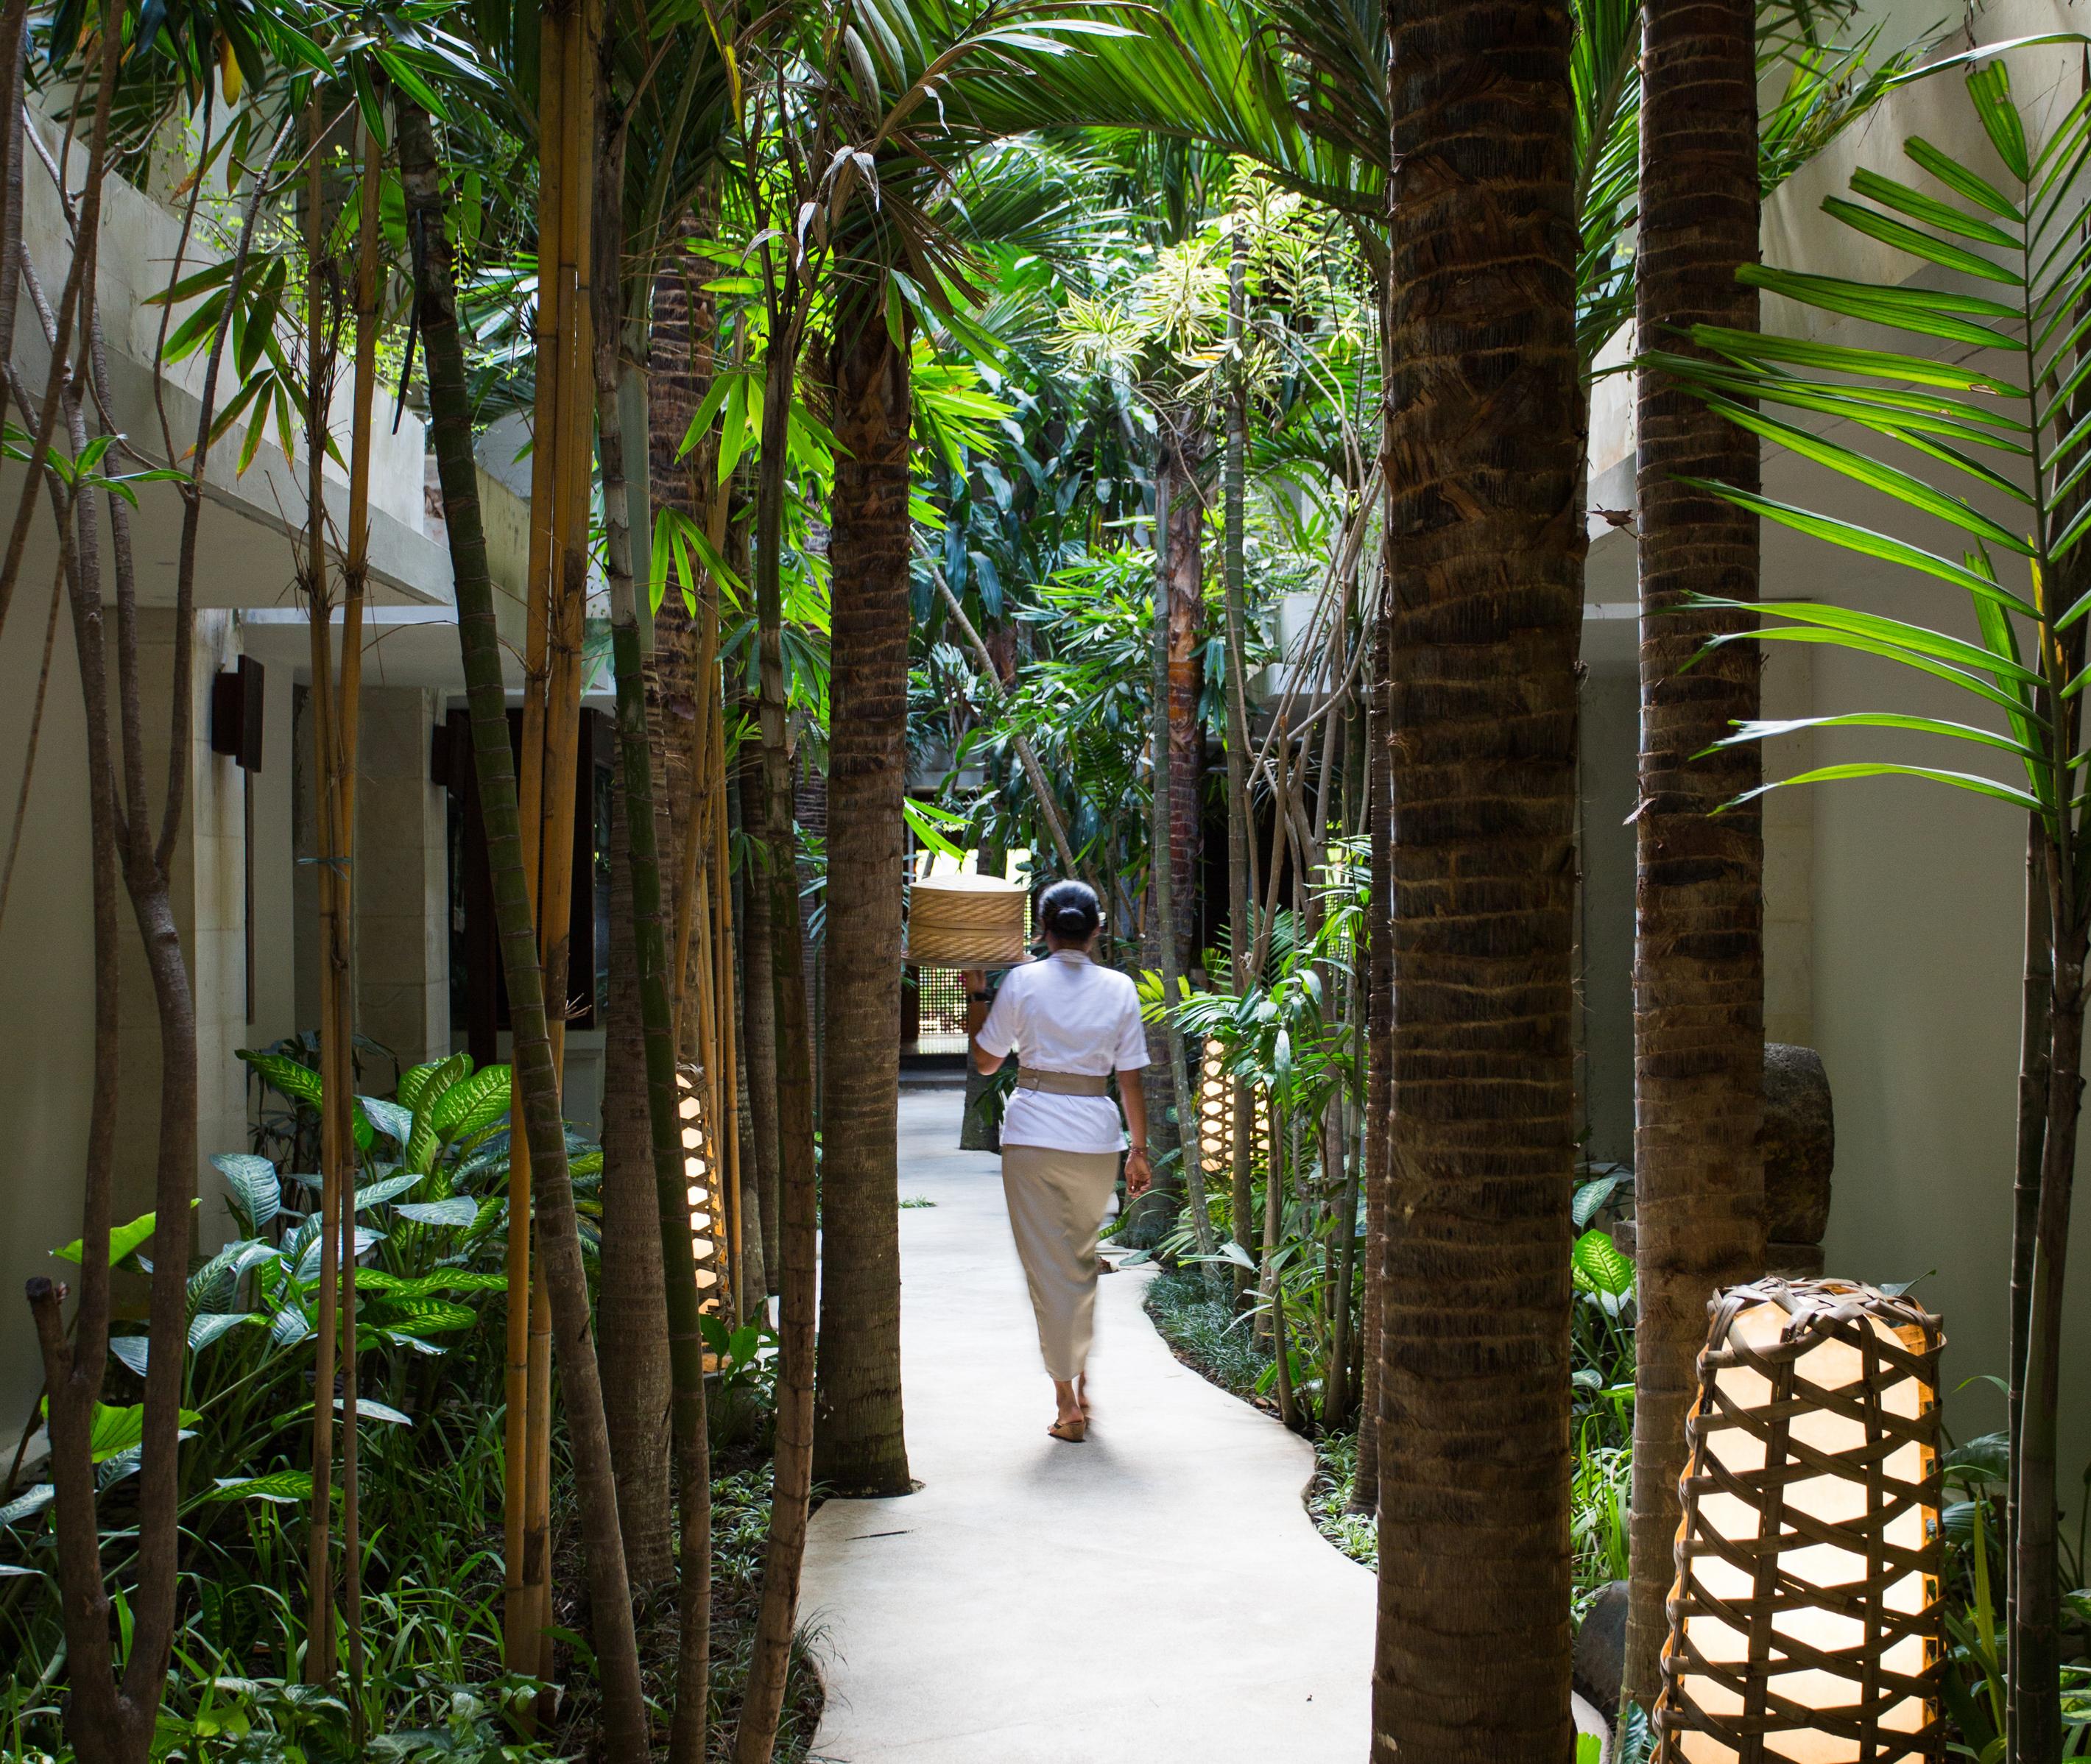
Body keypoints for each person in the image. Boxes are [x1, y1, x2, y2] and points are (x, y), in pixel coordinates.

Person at [969, 879, 1151, 1444]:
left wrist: (978, 994)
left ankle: (1067, 1401)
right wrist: (1138, 1150)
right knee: (1078, 1260)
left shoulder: (1021, 982)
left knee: (1049, 1268)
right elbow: (1129, 1078)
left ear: (1043, 931)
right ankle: (1079, 1380)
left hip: (1031, 1137)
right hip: (1097, 1137)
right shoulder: (1119, 988)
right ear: (1096, 929)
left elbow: (983, 1063)